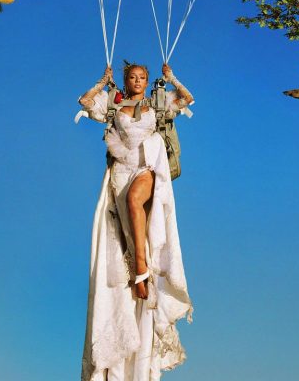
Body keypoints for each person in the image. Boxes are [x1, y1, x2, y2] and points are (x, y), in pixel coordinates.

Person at [78, 62, 194, 381]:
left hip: (146, 169)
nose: (138, 81)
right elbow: (85, 102)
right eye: (133, 77)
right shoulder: (114, 104)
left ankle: (142, 269)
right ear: (126, 81)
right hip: (121, 171)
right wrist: (102, 82)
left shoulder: (157, 103)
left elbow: (186, 99)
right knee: (127, 232)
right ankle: (136, 273)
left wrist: (172, 78)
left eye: (143, 77)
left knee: (135, 201)